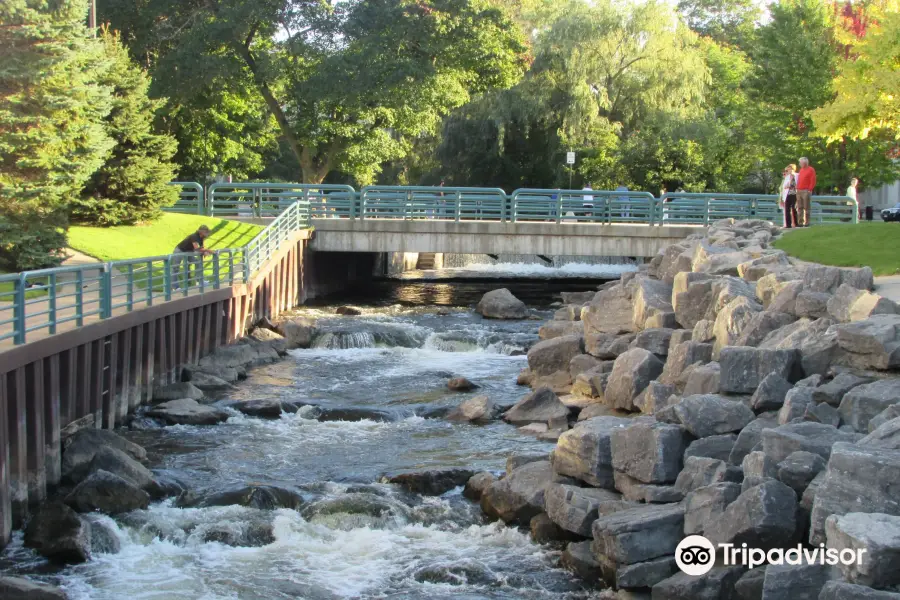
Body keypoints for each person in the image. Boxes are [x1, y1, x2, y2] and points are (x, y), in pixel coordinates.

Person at [796, 157, 816, 226]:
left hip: (805, 190)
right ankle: (800, 222)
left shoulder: (811, 169)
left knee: (806, 207)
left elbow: (813, 180)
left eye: (800, 162)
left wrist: (809, 190)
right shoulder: (801, 170)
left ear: (804, 163)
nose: (799, 164)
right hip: (799, 190)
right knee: (799, 207)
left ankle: (807, 222)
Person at [781, 164, 799, 228]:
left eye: (789, 169)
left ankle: (796, 224)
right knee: (787, 210)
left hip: (794, 194)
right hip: (787, 195)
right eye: (787, 169)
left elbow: (796, 184)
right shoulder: (787, 177)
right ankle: (788, 225)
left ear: (792, 169)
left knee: (794, 209)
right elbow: (784, 186)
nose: (787, 170)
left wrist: (790, 185)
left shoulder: (797, 175)